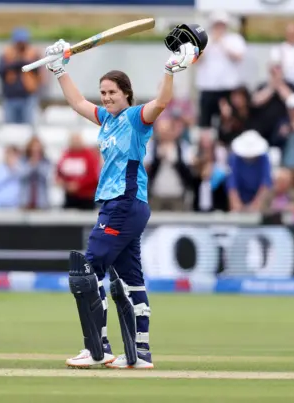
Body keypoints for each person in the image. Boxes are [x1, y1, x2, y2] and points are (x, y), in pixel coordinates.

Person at [44, 24, 205, 369]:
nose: (105, 98)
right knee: (131, 279)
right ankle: (142, 353)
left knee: (86, 269)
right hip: (125, 206)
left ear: (126, 94)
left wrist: (169, 71)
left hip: (124, 203)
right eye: (103, 92)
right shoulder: (105, 120)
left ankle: (96, 348)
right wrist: (59, 68)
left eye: (112, 92)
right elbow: (76, 102)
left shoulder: (134, 118)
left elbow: (161, 102)